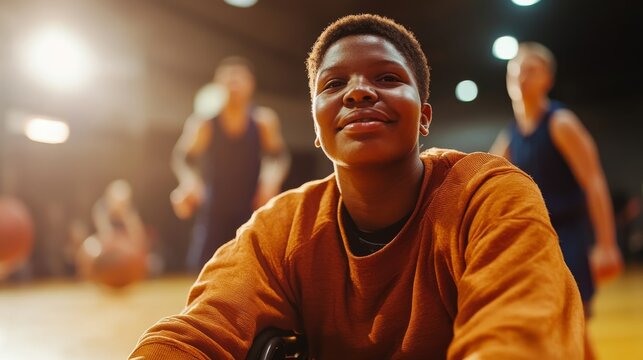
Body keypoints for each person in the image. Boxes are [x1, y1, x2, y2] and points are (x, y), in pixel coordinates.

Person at [131, 14, 584, 359]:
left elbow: (518, 335)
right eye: (334, 83)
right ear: (316, 129)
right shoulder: (282, 229)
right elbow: (194, 333)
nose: (358, 92)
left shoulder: (488, 195)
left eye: (386, 78)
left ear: (425, 116)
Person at [489, 42, 623, 359]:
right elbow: (487, 177)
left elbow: (594, 181)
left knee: (572, 326)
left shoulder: (561, 123)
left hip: (570, 237)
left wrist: (606, 244)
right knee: (562, 331)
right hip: (538, 241)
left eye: (530, 70)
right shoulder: (510, 136)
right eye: (515, 71)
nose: (521, 77)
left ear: (547, 79)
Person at [170, 56, 291, 272]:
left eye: (239, 79)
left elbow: (278, 155)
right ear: (217, 87)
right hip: (215, 207)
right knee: (204, 271)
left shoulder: (263, 120)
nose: (233, 85)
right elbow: (183, 156)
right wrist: (189, 182)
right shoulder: (204, 123)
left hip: (251, 205)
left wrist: (270, 180)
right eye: (227, 80)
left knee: (256, 270)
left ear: (250, 84)